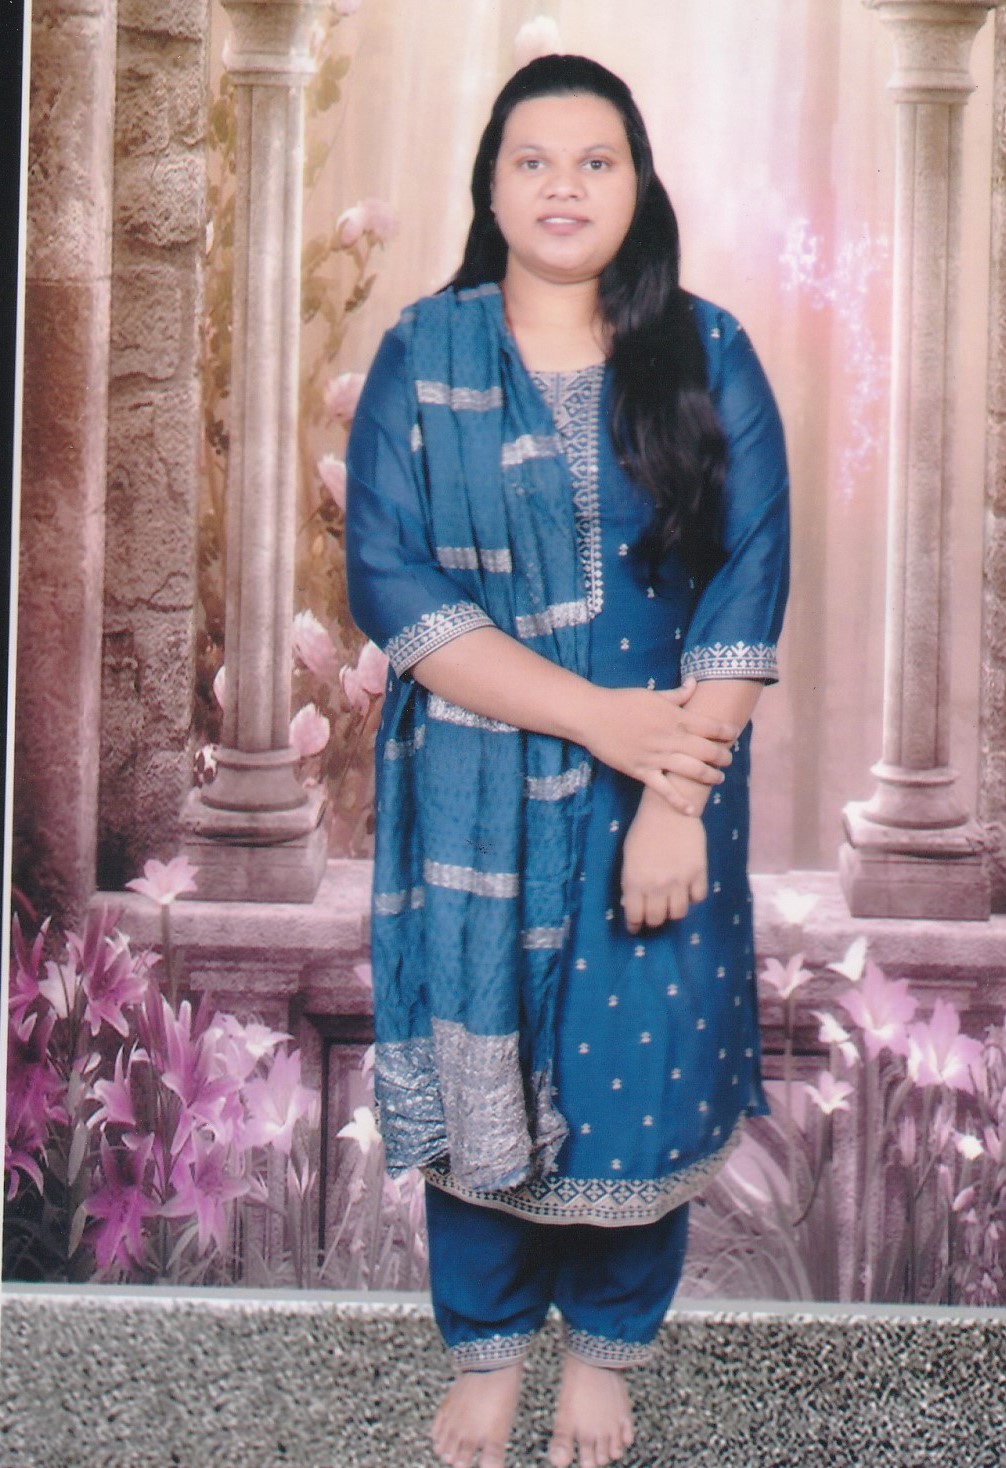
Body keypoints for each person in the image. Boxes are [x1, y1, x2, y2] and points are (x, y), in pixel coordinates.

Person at [346, 53, 789, 1468]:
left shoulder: (706, 351)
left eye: (596, 161)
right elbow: (391, 584)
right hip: (478, 788)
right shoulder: (426, 354)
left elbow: (746, 584)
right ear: (488, 187)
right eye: (531, 160)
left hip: (668, 785)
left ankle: (603, 1350)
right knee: (482, 1048)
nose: (563, 187)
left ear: (638, 185)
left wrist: (671, 798)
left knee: (636, 1067)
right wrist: (596, 719)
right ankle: (485, 1350)